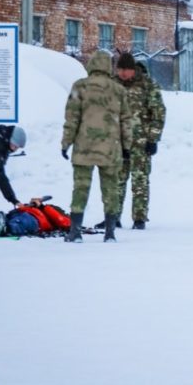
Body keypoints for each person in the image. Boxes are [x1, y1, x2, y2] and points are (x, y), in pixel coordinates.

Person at [61, 50, 133, 243]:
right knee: (110, 189)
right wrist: (127, 147)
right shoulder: (118, 90)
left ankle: (75, 231)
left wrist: (66, 143)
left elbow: (72, 118)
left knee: (80, 188)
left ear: (91, 64)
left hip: (84, 148)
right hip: (110, 149)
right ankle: (110, 232)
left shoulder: (80, 87)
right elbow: (126, 121)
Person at [98, 52, 166, 231]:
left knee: (140, 180)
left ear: (132, 70)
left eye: (125, 70)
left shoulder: (147, 85)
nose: (122, 74)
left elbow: (158, 114)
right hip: (116, 142)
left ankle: (139, 218)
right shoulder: (111, 85)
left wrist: (153, 138)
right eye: (119, 69)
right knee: (115, 181)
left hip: (140, 143)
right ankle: (113, 217)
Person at [0, 197, 71, 238]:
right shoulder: (41, 207)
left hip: (35, 220)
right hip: (18, 213)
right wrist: (30, 204)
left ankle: (5, 229)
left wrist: (42, 206)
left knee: (18, 224)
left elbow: (64, 223)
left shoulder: (56, 211)